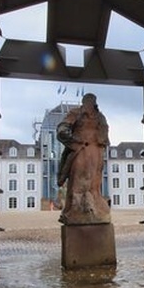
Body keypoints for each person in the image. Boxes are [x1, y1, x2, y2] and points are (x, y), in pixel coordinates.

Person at [56, 93, 111, 225]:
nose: (90, 103)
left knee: (94, 183)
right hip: (81, 150)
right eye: (88, 100)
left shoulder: (100, 116)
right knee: (78, 181)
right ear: (84, 101)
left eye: (92, 101)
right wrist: (72, 141)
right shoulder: (76, 112)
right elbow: (62, 128)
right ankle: (75, 210)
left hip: (96, 152)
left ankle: (95, 208)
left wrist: (102, 141)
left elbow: (105, 132)